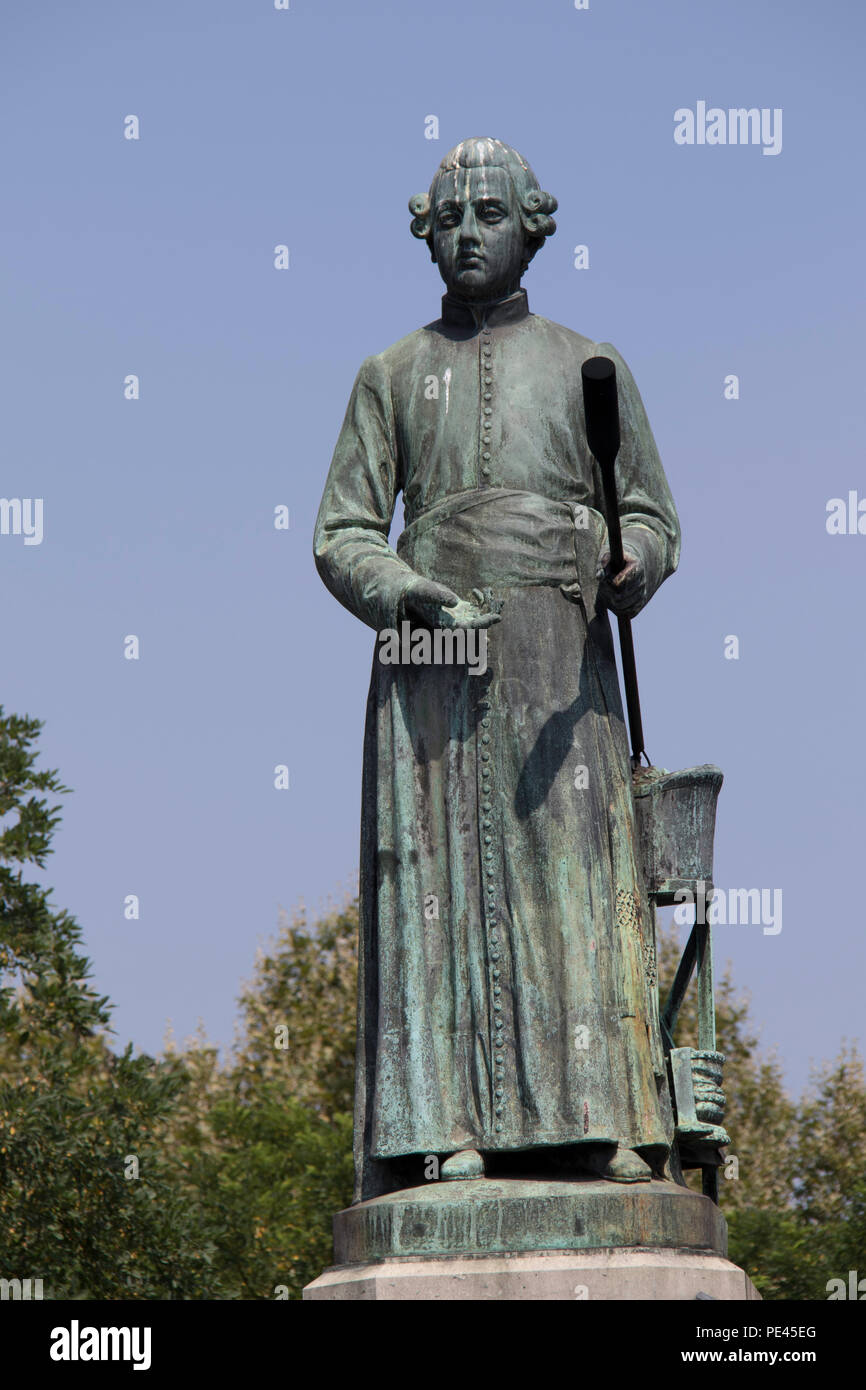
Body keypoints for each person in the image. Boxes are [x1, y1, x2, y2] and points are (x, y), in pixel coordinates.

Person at [314, 138, 681, 1203]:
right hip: (431, 656)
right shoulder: (386, 374)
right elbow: (341, 532)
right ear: (425, 233)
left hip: (558, 658)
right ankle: (444, 1126)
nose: (468, 232)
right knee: (435, 880)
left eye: (489, 212)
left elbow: (651, 511)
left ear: (532, 225)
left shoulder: (586, 363)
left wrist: (634, 558)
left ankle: (602, 1120)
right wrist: (406, 591)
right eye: (450, 216)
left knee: (574, 887)